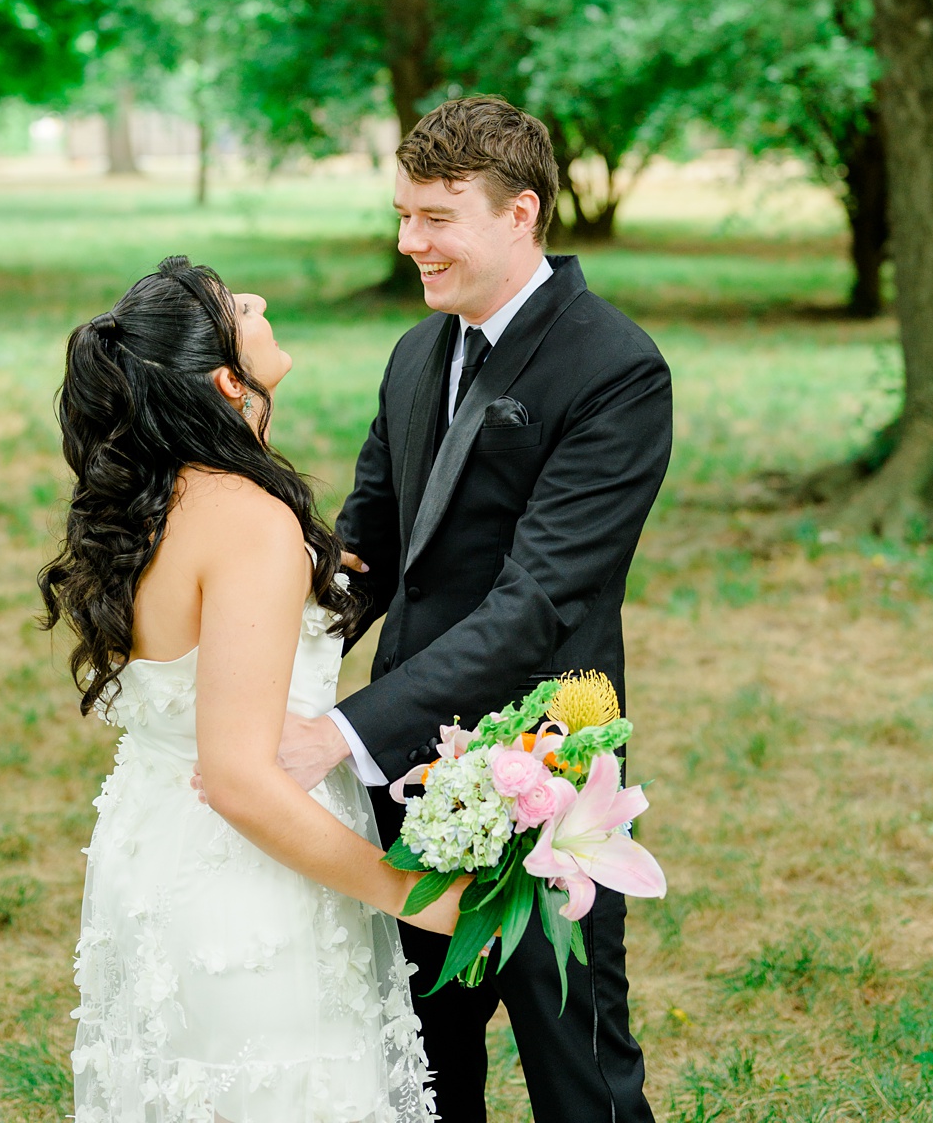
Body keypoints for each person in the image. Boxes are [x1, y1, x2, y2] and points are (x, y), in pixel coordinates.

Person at [273, 96, 674, 1123]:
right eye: (404, 214)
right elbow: (367, 550)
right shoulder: (415, 355)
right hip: (406, 775)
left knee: (578, 1063)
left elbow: (538, 602)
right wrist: (270, 651)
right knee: (422, 1061)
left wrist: (338, 732)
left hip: (543, 772)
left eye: (436, 218)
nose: (411, 242)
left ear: (520, 213)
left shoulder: (616, 369)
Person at [42, 255, 458, 1122]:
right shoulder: (249, 522)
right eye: (238, 305)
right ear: (231, 380)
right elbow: (236, 776)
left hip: (157, 850)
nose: (260, 299)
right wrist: (408, 892)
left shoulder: (160, 497)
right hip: (247, 882)